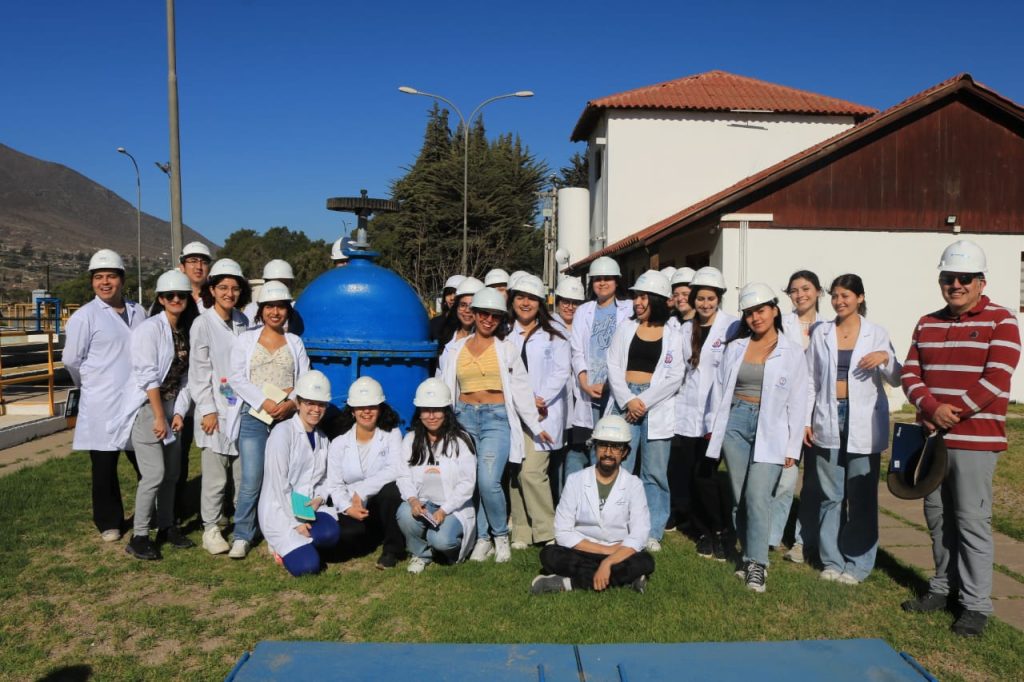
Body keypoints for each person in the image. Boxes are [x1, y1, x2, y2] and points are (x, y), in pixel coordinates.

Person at [900, 241, 1019, 637]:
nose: (956, 284)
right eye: (949, 278)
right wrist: (933, 409)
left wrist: (955, 411)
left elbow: (997, 377)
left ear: (981, 282)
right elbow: (909, 374)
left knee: (971, 522)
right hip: (934, 437)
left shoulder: (1002, 321)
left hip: (975, 440)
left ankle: (975, 605)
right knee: (937, 518)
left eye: (964, 278)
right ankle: (942, 587)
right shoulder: (926, 322)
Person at [705, 282, 808, 593]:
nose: (755, 318)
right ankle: (750, 554)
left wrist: (793, 446)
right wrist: (716, 427)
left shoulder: (792, 352)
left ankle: (757, 565)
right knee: (740, 497)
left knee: (757, 496)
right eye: (749, 313)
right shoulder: (735, 347)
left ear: (774, 310)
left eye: (761, 310)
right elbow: (719, 389)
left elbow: (799, 400)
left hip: (771, 427)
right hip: (736, 422)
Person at [437, 287, 552, 563]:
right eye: (483, 314)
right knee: (473, 481)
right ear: (473, 314)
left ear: (501, 319)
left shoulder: (507, 350)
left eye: (495, 316)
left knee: (490, 481)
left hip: (496, 418)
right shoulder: (455, 349)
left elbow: (522, 390)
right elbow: (444, 386)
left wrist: (536, 427)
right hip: (464, 417)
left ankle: (500, 535)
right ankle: (482, 538)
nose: (489, 319)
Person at [806, 274, 900, 585]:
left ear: (860, 298)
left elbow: (897, 377)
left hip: (863, 420)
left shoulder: (876, 333)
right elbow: (810, 379)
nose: (839, 301)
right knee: (830, 495)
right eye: (834, 296)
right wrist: (807, 420)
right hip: (828, 416)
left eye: (846, 295)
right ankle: (832, 560)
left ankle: (857, 563)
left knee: (861, 495)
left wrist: (886, 358)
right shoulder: (821, 332)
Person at [110, 270, 199, 560]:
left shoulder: (186, 331)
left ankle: (167, 526)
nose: (176, 300)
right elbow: (148, 377)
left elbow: (188, 379)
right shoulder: (149, 330)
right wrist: (160, 417)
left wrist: (179, 413)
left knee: (172, 474)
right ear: (160, 299)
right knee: (154, 474)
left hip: (173, 407)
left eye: (181, 296)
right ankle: (138, 536)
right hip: (150, 409)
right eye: (170, 296)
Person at [64, 249, 146, 543]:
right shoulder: (84, 317)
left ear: (122, 279)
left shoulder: (139, 311)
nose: (105, 282)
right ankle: (109, 521)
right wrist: (92, 385)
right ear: (92, 282)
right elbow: (72, 360)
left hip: (135, 401)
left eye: (111, 276)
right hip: (101, 403)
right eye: (99, 277)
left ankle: (149, 514)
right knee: (104, 466)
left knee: (145, 463)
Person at [228, 281, 310, 559]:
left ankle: (284, 527)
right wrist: (264, 402)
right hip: (254, 415)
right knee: (252, 477)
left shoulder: (295, 342)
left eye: (281, 307)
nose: (276, 312)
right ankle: (243, 533)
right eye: (270, 307)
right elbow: (237, 377)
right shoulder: (245, 340)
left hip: (285, 418)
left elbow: (304, 380)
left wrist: (290, 404)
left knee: (287, 476)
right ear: (261, 310)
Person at [605, 270, 685, 552]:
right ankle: (618, 525)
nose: (637, 302)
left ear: (658, 300)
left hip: (657, 405)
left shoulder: (674, 333)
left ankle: (652, 531)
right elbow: (613, 366)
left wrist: (644, 401)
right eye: (636, 296)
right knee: (620, 466)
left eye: (643, 297)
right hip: (625, 401)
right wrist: (628, 399)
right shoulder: (625, 328)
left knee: (654, 472)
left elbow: (675, 375)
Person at [531, 415, 654, 594]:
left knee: (646, 560)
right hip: (584, 549)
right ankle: (627, 579)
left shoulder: (634, 484)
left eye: (616, 447)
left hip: (618, 551)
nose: (608, 452)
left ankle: (568, 583)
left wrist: (609, 560)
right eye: (603, 445)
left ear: (625, 452)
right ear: (594, 448)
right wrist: (605, 552)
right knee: (549, 554)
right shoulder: (575, 480)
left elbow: (639, 534)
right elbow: (563, 531)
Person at [670, 267, 739, 559]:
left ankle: (721, 529)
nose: (705, 304)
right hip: (686, 415)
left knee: (706, 476)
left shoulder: (733, 327)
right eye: (700, 298)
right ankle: (702, 533)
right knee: (688, 474)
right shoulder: (685, 329)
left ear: (719, 298)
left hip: (716, 414)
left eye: (711, 298)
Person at [188, 258, 251, 555]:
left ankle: (241, 523)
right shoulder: (202, 324)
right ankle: (211, 528)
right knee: (215, 476)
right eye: (223, 287)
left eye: (235, 288)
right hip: (215, 410)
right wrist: (208, 409)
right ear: (211, 290)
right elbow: (199, 372)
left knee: (242, 472)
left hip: (242, 409)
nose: (229, 293)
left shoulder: (243, 322)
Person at [507, 275, 571, 548]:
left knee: (532, 471)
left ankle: (546, 531)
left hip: (542, 413)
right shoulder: (504, 332)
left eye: (531, 298)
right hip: (512, 412)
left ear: (540, 303)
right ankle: (522, 531)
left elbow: (561, 371)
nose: (525, 303)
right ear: (512, 300)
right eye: (520, 297)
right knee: (515, 471)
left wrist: (538, 397)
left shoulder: (554, 335)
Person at [258, 370, 341, 577]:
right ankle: (281, 547)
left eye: (321, 404)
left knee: (331, 535)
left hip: (309, 507)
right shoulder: (282, 433)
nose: (315, 409)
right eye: (309, 403)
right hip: (280, 511)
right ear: (298, 403)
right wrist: (295, 523)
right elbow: (279, 484)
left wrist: (319, 498)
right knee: (308, 567)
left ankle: (305, 544)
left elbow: (326, 478)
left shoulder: (323, 439)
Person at [395, 378, 477, 574]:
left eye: (437, 410)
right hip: (423, 503)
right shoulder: (411, 439)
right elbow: (403, 475)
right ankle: (421, 554)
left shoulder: (461, 441)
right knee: (404, 513)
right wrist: (413, 501)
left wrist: (444, 510)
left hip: (452, 506)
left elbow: (467, 483)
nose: (431, 416)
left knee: (441, 540)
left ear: (446, 411)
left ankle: (443, 549)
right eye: (426, 410)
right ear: (419, 412)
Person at [324, 376, 406, 569]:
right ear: (352, 411)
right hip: (353, 505)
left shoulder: (392, 434)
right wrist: (347, 507)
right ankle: (373, 536)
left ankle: (393, 550)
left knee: (392, 491)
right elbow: (334, 484)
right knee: (349, 537)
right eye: (360, 407)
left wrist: (362, 491)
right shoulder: (339, 443)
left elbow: (395, 468)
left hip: (380, 503)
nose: (366, 412)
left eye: (372, 406)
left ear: (380, 408)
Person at [774, 270, 824, 564]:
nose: (800, 294)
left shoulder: (829, 327)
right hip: (786, 413)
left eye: (806, 288)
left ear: (818, 291)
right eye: (794, 290)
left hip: (819, 415)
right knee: (783, 479)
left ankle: (803, 542)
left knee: (814, 484)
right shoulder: (782, 324)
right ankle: (770, 535)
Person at [567, 256, 633, 476]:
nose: (602, 283)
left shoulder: (629, 309)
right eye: (597, 279)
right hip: (590, 390)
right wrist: (584, 383)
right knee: (590, 446)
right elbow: (576, 351)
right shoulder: (583, 311)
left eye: (608, 279)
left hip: (616, 389)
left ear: (617, 282)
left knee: (613, 445)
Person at [174, 241, 212, 524]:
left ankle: (213, 509)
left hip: (211, 390)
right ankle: (177, 508)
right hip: (180, 392)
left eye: (203, 261)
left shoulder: (216, 298)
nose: (198, 266)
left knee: (214, 453)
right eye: (192, 261)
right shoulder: (175, 297)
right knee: (178, 456)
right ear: (182, 266)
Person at [551, 276, 586, 493]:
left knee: (575, 449)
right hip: (556, 396)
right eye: (565, 301)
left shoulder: (585, 325)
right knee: (556, 453)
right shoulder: (548, 325)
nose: (569, 306)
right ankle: (557, 498)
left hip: (581, 395)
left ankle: (571, 498)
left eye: (575, 302)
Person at [243, 260, 303, 334]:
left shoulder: (297, 307)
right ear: (266, 283)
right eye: (275, 282)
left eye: (284, 283)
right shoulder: (252, 309)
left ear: (291, 284)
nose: (279, 287)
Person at [435, 276, 484, 352]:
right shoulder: (446, 333)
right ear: (456, 307)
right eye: (463, 305)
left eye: (472, 306)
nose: (467, 310)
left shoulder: (488, 341)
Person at [429, 275, 465, 343]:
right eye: (448, 293)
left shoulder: (470, 325)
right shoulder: (434, 324)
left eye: (455, 293)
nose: (452, 298)